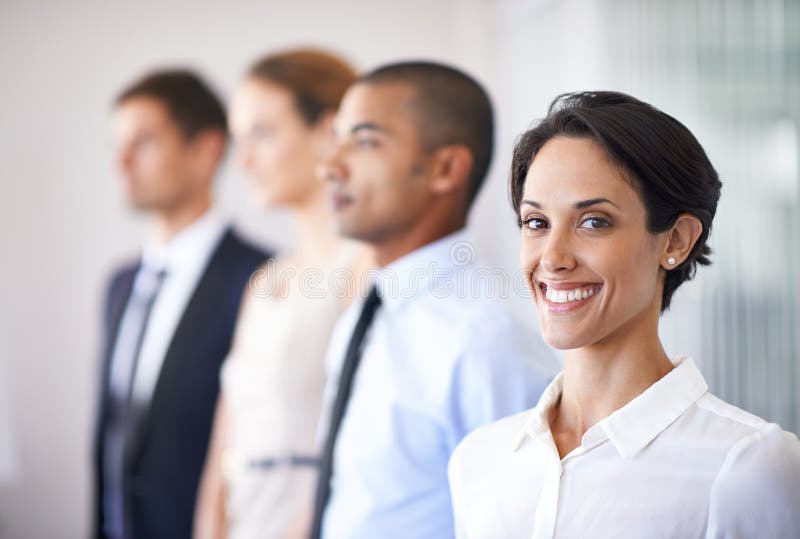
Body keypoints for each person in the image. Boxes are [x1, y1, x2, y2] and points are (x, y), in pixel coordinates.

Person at [448, 91, 800, 538]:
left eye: (594, 221)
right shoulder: (480, 460)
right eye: (536, 222)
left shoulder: (746, 468)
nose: (552, 258)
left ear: (675, 241)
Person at [310, 61, 557, 539]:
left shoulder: (486, 342)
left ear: (445, 168)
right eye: (335, 139)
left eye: (363, 142)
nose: (329, 166)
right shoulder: (365, 315)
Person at [192, 49, 370, 539]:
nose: (243, 160)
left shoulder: (365, 269)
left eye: (263, 135)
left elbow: (361, 440)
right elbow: (226, 439)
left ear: (328, 131)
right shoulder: (265, 280)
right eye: (238, 140)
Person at [92, 70, 270, 539]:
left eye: (145, 142)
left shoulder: (261, 280)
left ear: (207, 150)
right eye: (118, 145)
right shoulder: (120, 284)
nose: (122, 162)